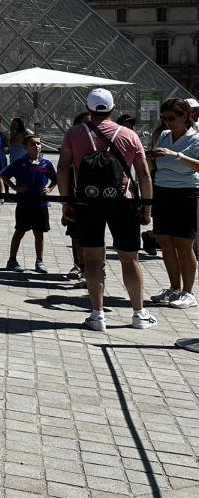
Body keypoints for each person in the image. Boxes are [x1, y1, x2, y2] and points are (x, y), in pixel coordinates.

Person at [57, 88, 155, 331]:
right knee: (130, 259)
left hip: (87, 202)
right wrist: (146, 207)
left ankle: (97, 315)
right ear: (113, 109)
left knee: (92, 260)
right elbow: (143, 174)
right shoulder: (130, 134)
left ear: (88, 109)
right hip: (123, 201)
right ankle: (138, 314)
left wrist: (66, 202)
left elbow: (63, 169)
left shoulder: (74, 133)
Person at [145, 97, 199, 308]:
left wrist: (176, 155)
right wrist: (150, 157)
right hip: (162, 191)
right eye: (164, 118)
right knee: (165, 243)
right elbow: (156, 162)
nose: (167, 122)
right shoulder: (164, 135)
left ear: (185, 116)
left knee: (184, 244)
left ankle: (188, 292)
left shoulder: (196, 138)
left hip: (186, 192)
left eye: (171, 118)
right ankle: (174, 288)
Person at [1, 135, 56, 273]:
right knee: (20, 231)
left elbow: (56, 179)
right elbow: (3, 175)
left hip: (41, 204)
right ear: (25, 147)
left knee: (39, 233)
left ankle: (39, 261)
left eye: (38, 143)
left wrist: (50, 188)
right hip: (24, 203)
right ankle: (12, 260)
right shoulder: (20, 162)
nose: (36, 146)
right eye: (33, 144)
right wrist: (14, 187)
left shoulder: (46, 163)